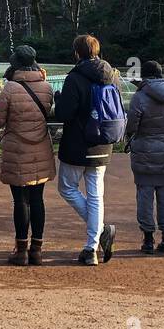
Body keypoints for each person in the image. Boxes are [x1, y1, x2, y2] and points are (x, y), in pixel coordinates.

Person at [53, 34, 119, 266]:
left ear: (77, 53)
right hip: (104, 141)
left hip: (78, 143)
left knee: (67, 188)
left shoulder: (75, 77)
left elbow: (64, 114)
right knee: (96, 195)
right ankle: (91, 248)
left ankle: (100, 233)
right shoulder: (112, 76)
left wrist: (58, 99)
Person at [0, 45, 55, 266]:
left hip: (17, 149)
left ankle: (21, 250)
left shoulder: (11, 88)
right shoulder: (46, 87)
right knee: (38, 199)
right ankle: (37, 249)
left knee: (20, 200)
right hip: (41, 148)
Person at [125, 60, 164, 254]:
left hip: (144, 149)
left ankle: (148, 238)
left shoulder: (140, 96)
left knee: (145, 194)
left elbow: (132, 125)